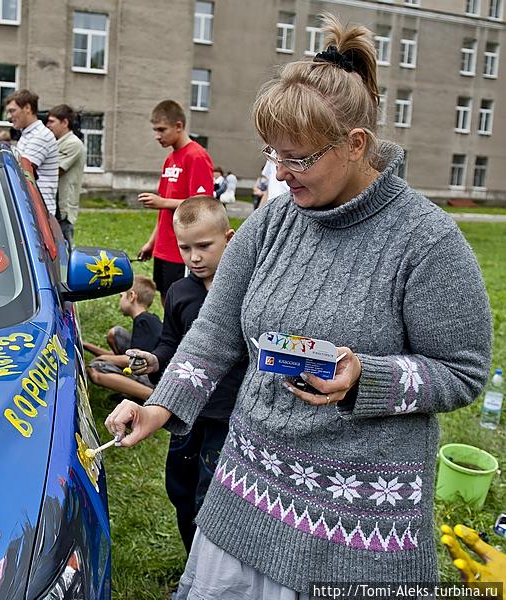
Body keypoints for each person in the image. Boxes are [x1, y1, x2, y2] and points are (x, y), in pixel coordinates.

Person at [105, 13, 492, 599]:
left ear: (356, 145)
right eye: (273, 154)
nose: (280, 173)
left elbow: (464, 372)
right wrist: (161, 406)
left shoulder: (427, 242)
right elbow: (215, 332)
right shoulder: (273, 223)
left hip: (357, 527)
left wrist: (370, 377)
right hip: (247, 496)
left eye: (299, 159)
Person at [125, 197, 246, 553]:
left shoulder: (245, 292)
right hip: (185, 415)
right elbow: (171, 343)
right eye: (184, 247)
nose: (194, 257)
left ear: (230, 238)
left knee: (211, 495)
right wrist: (154, 360)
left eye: (204, 246)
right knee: (180, 488)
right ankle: (190, 560)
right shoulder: (178, 292)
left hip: (228, 415)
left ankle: (211, 566)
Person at [137, 100, 214, 306]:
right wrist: (152, 243)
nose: (157, 136)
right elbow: (163, 212)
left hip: (181, 248)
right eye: (155, 130)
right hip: (163, 247)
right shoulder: (170, 159)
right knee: (166, 299)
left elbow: (202, 204)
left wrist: (162, 201)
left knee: (182, 302)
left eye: (162, 129)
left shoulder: (196, 156)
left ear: (178, 126)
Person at [83, 275, 162, 402]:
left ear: (131, 296)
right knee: (115, 334)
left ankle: (155, 397)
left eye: (121, 296)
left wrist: (102, 359)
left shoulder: (144, 322)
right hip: (150, 368)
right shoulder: (147, 319)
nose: (120, 300)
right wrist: (86, 345)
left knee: (95, 369)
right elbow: (122, 358)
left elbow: (132, 359)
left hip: (156, 379)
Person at [5, 89, 59, 215]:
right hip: (33, 209)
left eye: (12, 111)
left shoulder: (40, 136)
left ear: (27, 108)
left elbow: (20, 173)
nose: (9, 117)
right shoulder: (27, 134)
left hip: (41, 212)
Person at [46, 104, 86, 246]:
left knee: (64, 250)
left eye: (52, 121)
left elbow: (55, 170)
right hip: (54, 205)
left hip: (63, 209)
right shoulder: (56, 143)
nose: (48, 125)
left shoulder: (73, 144)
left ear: (65, 123)